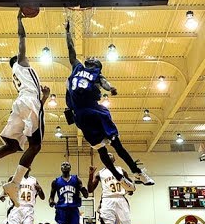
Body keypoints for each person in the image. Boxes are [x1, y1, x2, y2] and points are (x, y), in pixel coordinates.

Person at [0, 9, 50, 207]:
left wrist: (44, 98)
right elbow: (22, 37)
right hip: (29, 102)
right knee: (36, 145)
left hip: (22, 104)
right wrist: (19, 19)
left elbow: (34, 107)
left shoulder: (20, 76)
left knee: (14, 145)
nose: (27, 58)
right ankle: (14, 183)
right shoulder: (21, 64)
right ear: (18, 60)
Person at [64, 21, 154, 186]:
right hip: (84, 113)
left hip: (88, 112)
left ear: (97, 65)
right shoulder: (77, 67)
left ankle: (133, 174)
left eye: (94, 59)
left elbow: (104, 82)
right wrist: (67, 32)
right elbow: (71, 50)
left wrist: (110, 87)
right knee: (106, 147)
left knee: (110, 146)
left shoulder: (95, 73)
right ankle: (129, 175)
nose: (91, 58)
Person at [87, 153, 135, 224]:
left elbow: (131, 188)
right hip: (107, 200)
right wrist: (90, 175)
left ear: (114, 159)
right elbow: (90, 189)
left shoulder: (121, 170)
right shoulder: (100, 173)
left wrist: (130, 188)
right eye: (106, 155)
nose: (108, 155)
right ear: (103, 159)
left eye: (110, 155)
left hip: (121, 199)